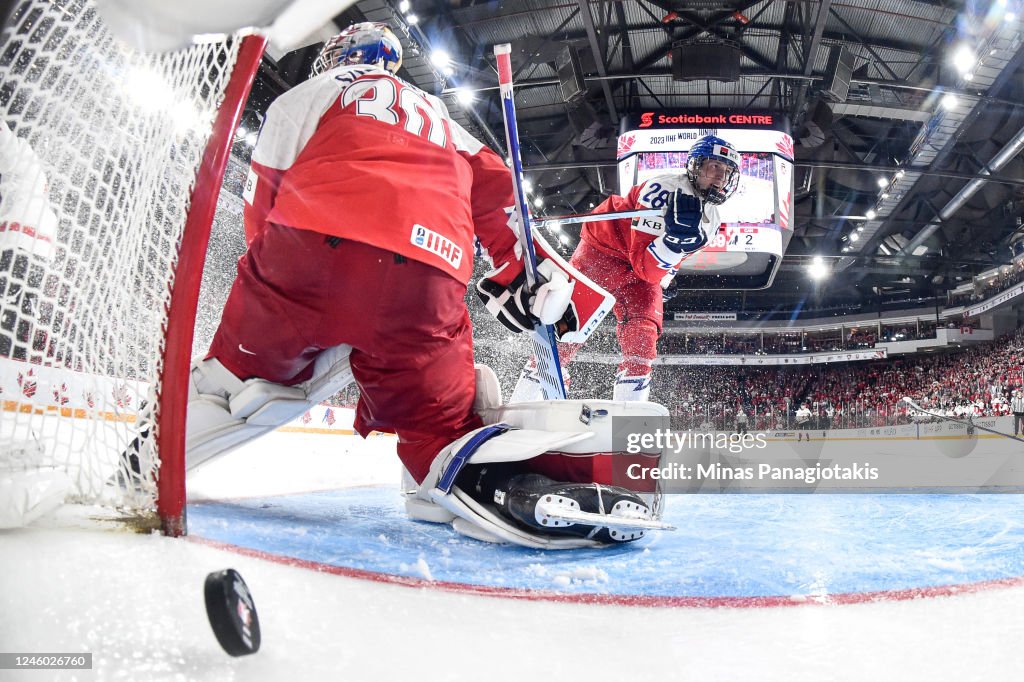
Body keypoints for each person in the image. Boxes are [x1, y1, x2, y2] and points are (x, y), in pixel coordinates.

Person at [183, 22, 663, 549]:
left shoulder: (312, 92)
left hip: (309, 250)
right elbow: (502, 199)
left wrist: (273, 288)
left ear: (340, 56)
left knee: (232, 384)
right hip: (429, 272)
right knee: (440, 428)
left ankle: (164, 446)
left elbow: (263, 200)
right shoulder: (441, 116)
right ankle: (503, 488)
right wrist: (524, 272)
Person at [510, 134, 741, 402]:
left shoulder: (712, 220)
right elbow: (645, 267)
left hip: (643, 266)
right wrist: (671, 246)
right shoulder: (662, 190)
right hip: (605, 252)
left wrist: (666, 276)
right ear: (696, 166)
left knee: (643, 337)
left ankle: (629, 416)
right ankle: (528, 395)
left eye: (727, 171)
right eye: (715, 166)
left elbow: (666, 263)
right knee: (569, 325)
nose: (721, 177)